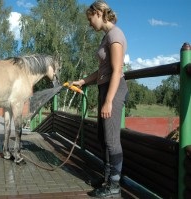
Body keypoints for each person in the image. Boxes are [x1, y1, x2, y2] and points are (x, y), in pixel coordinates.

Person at [71, 0, 128, 198]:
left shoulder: (115, 35)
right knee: (103, 138)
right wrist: (84, 80)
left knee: (112, 140)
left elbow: (117, 71)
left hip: (114, 89)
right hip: (105, 87)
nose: (89, 24)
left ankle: (114, 186)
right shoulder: (106, 37)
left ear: (98, 13)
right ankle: (106, 178)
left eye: (90, 19)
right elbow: (102, 70)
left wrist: (109, 100)